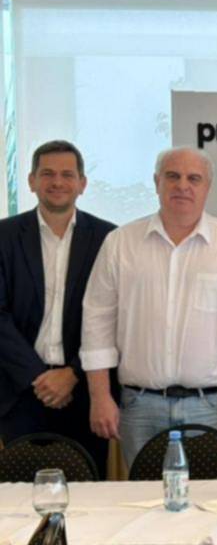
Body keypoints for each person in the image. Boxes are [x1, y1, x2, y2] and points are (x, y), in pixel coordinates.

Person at [81, 146, 217, 468]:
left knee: (213, 497)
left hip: (215, 409)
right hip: (140, 408)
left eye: (193, 178)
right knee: (144, 497)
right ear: (156, 182)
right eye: (173, 176)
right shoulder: (120, 243)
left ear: (207, 186)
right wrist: (100, 397)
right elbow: (96, 322)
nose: (182, 185)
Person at [0, 140, 115, 474]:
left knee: (87, 491)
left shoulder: (109, 239)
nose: (57, 182)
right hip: (21, 392)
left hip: (86, 391)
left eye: (67, 174)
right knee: (21, 492)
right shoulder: (4, 236)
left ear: (82, 183)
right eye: (47, 173)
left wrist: (73, 373)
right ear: (31, 181)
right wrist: (37, 377)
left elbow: (115, 316)